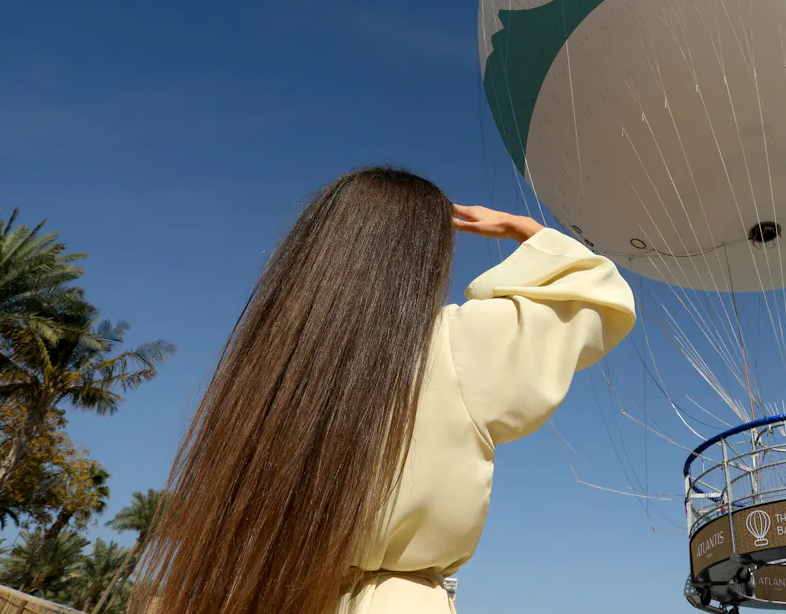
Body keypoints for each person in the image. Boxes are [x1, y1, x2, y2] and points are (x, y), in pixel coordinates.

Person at [132, 166, 636, 614]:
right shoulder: (457, 344)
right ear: (423, 257)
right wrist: (522, 229)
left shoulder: (269, 369)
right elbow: (596, 289)